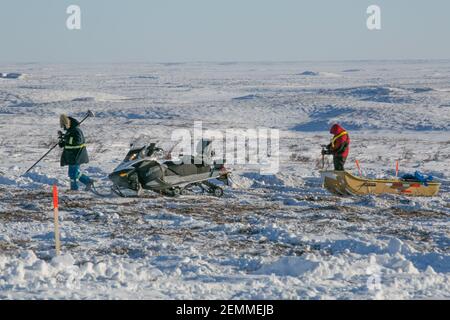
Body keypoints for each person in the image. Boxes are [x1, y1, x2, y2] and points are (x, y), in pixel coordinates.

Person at [58, 114, 94, 191]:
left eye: (64, 125)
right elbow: (68, 143)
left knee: (73, 173)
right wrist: (62, 141)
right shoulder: (70, 131)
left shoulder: (76, 130)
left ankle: (74, 189)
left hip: (77, 155)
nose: (63, 128)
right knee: (75, 173)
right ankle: (88, 181)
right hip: (71, 155)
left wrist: (66, 139)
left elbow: (77, 141)